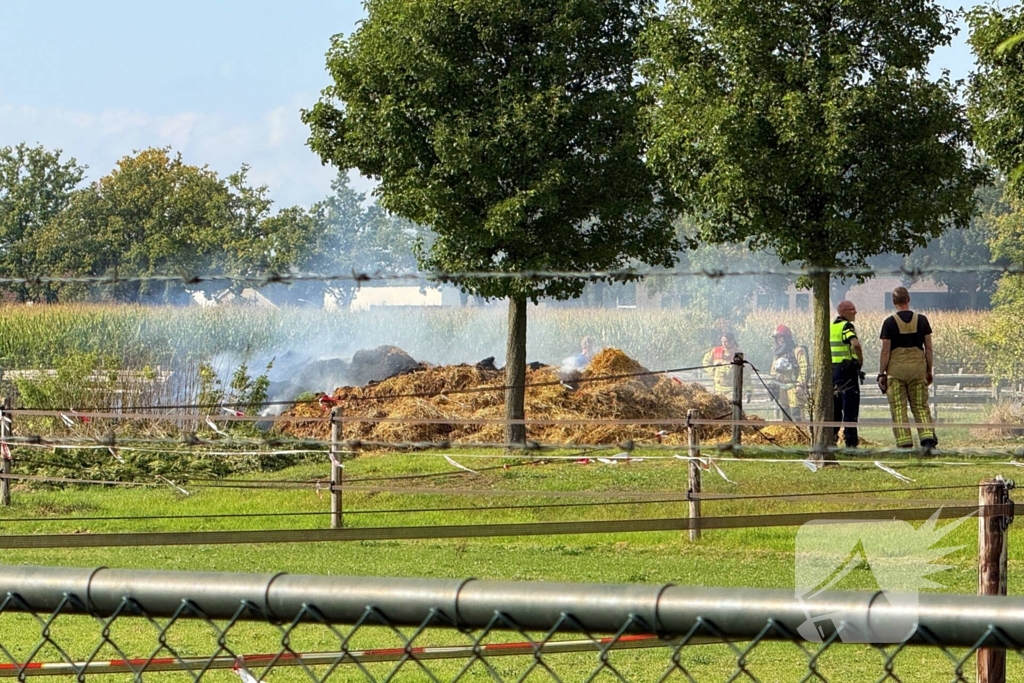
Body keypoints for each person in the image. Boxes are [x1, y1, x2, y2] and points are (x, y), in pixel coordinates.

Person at [878, 287, 937, 450]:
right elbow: (929, 348)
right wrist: (928, 370)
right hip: (917, 369)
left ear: (894, 302)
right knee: (920, 405)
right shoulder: (922, 320)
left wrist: (881, 373)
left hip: (896, 370)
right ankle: (927, 440)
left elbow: (885, 350)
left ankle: (904, 443)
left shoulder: (889, 322)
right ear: (908, 299)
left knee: (898, 406)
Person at [831, 300, 863, 448]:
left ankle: (832, 438)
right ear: (843, 312)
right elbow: (855, 344)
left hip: (832, 372)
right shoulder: (846, 326)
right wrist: (859, 361)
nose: (855, 312)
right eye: (852, 309)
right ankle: (850, 441)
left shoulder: (831, 327)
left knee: (835, 408)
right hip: (847, 371)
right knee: (850, 407)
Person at [769, 325, 809, 421]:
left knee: (797, 415)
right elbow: (774, 370)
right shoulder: (778, 354)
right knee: (786, 416)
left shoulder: (798, 350)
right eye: (777, 338)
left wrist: (800, 385)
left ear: (787, 337)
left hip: (795, 387)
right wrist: (772, 385)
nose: (779, 340)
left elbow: (804, 368)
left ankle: (800, 435)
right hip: (783, 388)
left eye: (781, 337)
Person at [703, 331, 740, 396]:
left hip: (732, 392)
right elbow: (705, 362)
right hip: (717, 391)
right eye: (722, 342)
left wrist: (748, 390)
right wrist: (713, 370)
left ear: (732, 341)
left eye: (726, 342)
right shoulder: (716, 351)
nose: (724, 344)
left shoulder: (738, 354)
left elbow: (745, 373)